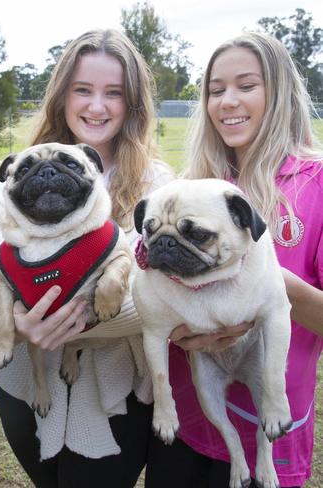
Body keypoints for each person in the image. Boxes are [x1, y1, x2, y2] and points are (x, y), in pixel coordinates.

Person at [0, 29, 173, 487]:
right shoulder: (14, 176)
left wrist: (75, 318)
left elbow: (163, 293)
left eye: (114, 93)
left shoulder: (158, 183)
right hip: (28, 385)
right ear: (61, 95)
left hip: (117, 386)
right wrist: (11, 319)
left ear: (133, 104)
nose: (96, 106)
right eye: (83, 90)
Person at [144, 32, 323, 488]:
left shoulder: (317, 183)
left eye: (246, 85)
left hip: (271, 422)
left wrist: (274, 288)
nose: (228, 101)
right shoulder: (194, 189)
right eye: (216, 89)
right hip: (188, 420)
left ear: (279, 90)